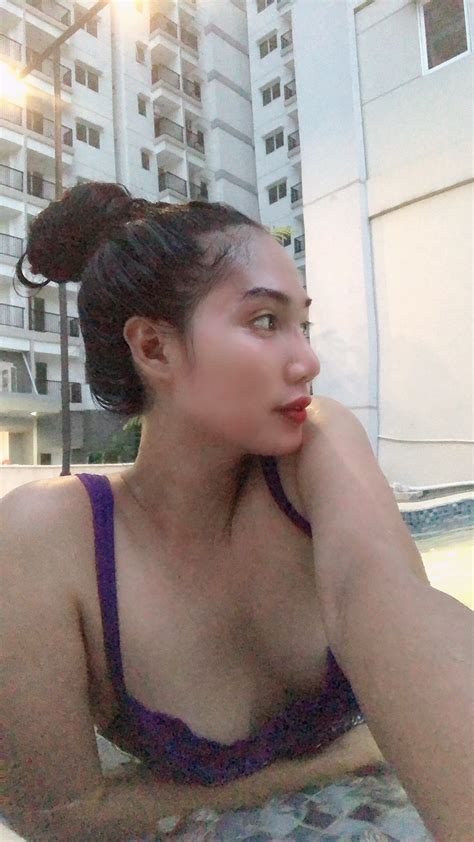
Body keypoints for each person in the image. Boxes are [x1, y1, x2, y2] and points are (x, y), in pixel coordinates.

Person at [0, 183, 470, 841]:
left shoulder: (314, 451)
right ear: (154, 348)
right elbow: (55, 815)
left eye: (303, 325)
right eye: (266, 321)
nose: (307, 360)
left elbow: (387, 599)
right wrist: (337, 758)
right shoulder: (50, 538)